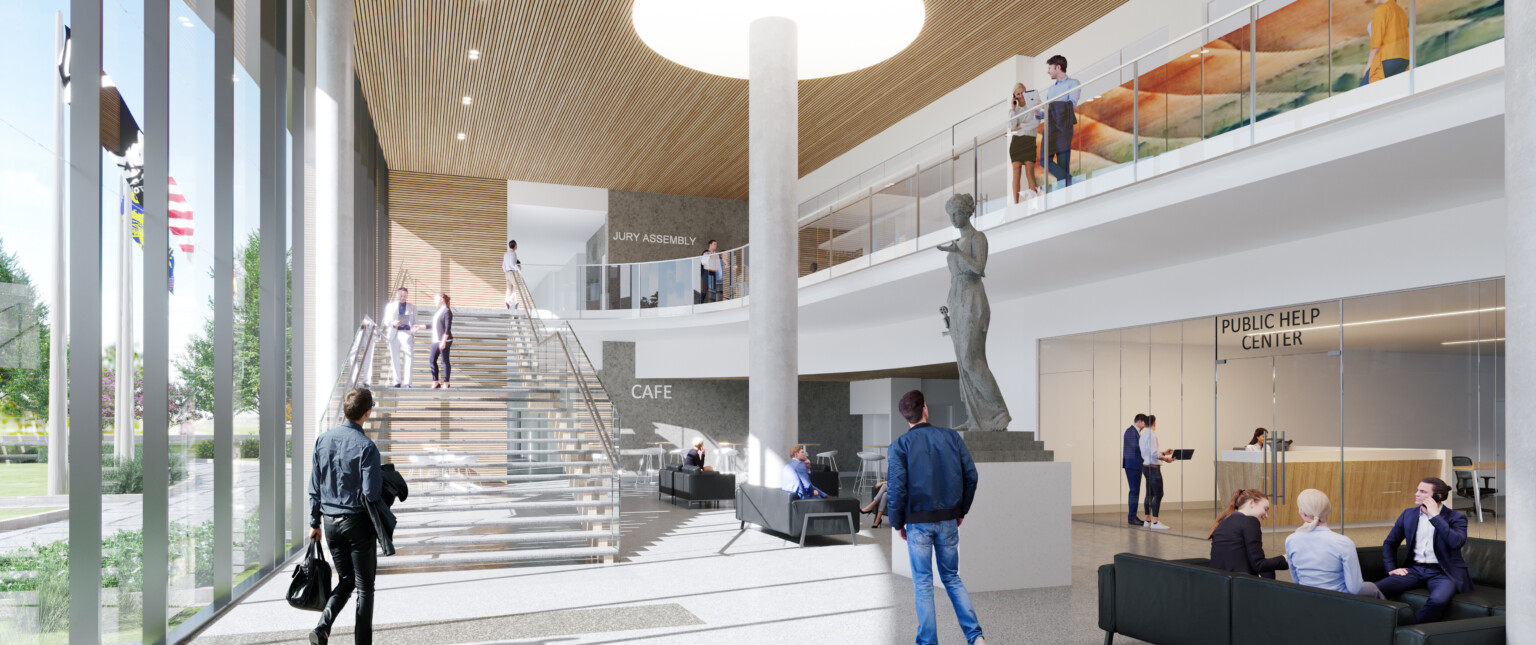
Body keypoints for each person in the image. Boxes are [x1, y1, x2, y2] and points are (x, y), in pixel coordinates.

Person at [888, 389, 986, 645]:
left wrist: (898, 522)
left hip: (917, 523)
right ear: (925, 410)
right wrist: (960, 511)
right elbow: (971, 476)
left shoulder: (899, 445)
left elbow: (896, 488)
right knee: (952, 578)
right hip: (948, 521)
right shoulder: (951, 437)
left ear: (905, 417)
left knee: (923, 584)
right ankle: (976, 638)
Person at [307, 387, 383, 645]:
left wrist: (314, 522)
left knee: (346, 579)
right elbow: (371, 494)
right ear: (367, 412)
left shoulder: (322, 440)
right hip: (357, 523)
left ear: (345, 410)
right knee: (364, 587)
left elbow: (314, 486)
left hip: (329, 524)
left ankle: (322, 628)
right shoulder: (367, 447)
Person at [1374, 477, 1473, 623]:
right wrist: (1391, 569)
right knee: (1376, 589)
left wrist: (1435, 516)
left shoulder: (1456, 517)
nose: (1416, 494)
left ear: (1437, 497)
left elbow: (1455, 542)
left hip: (1444, 573)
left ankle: (1409, 629)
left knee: (1438, 601)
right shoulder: (1408, 514)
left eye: (1422, 491)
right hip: (1414, 569)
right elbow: (1390, 543)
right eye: (1417, 490)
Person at [1285, 488, 1386, 598]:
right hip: (1339, 601)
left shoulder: (1291, 540)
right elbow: (1355, 589)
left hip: (1307, 598)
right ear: (1328, 509)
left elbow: (1297, 581)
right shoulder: (1343, 542)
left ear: (1302, 512)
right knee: (1372, 587)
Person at [1207, 488, 1288, 578]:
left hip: (1217, 578)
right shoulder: (1250, 521)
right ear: (1252, 503)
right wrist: (1285, 559)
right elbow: (1259, 564)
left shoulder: (1224, 521)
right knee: (1268, 573)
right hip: (1239, 581)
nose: (1266, 515)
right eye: (1265, 509)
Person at [1039, 54, 1080, 189]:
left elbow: (1071, 105)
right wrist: (1038, 112)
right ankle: (1070, 181)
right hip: (1051, 126)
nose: (1048, 71)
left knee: (1063, 163)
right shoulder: (1051, 90)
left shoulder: (1073, 83)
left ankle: (1065, 193)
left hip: (1064, 126)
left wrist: (1050, 107)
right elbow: (1049, 112)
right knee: (1044, 161)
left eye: (1050, 68)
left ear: (1058, 67)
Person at [379, 287, 423, 388]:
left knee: (409, 357)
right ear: (397, 295)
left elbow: (416, 322)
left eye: (405, 296)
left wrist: (414, 329)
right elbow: (386, 320)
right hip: (394, 332)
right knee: (395, 358)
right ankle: (397, 381)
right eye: (401, 296)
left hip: (406, 333)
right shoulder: (390, 306)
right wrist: (393, 323)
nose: (402, 298)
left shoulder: (412, 307)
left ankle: (407, 382)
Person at [1007, 82, 1040, 204]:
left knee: (1029, 171)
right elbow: (1011, 126)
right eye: (1018, 94)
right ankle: (1015, 203)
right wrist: (1013, 109)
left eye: (1023, 92)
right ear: (1014, 96)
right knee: (1016, 172)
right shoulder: (1014, 110)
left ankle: (1034, 203)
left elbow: (1036, 122)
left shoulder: (1033, 104)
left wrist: (1020, 126)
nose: (1021, 96)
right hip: (1017, 142)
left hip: (1029, 140)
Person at [1363, 0, 1410, 85]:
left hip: (1386, 59)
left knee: (1363, 92)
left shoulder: (1382, 9)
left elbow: (1376, 41)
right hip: (1403, 60)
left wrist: (1369, 64)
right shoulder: (1400, 12)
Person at [1138, 414, 1173, 529]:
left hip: (1145, 466)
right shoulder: (1152, 435)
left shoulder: (1143, 435)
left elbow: (1150, 452)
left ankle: (1147, 520)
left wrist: (1163, 453)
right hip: (1153, 468)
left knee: (1149, 494)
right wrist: (1166, 459)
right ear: (1154, 423)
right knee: (1158, 494)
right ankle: (1155, 522)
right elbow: (1153, 453)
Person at [1122, 413, 1148, 526]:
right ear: (1140, 421)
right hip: (1132, 465)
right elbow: (1136, 448)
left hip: (1135, 465)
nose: (1145, 425)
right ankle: (1132, 517)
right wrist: (1148, 447)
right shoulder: (1130, 431)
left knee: (1135, 491)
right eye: (1145, 423)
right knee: (1134, 491)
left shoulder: (1135, 432)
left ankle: (1133, 515)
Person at [428, 292, 453, 389]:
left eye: (436, 299)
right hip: (436, 340)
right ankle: (436, 381)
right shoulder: (439, 311)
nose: (434, 301)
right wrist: (419, 326)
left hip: (444, 340)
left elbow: (448, 328)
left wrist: (443, 341)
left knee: (445, 360)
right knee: (432, 360)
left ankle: (446, 382)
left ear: (442, 299)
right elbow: (431, 325)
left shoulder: (447, 311)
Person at [503, 240, 522, 310]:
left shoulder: (506, 254)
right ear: (515, 246)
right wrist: (518, 269)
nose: (517, 246)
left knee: (509, 289)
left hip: (507, 273)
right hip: (511, 273)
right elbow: (512, 264)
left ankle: (509, 303)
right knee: (517, 287)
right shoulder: (513, 253)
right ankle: (509, 301)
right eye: (516, 245)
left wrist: (505, 272)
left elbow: (503, 265)